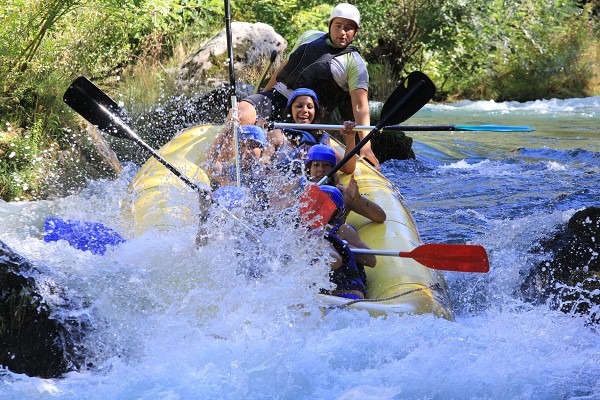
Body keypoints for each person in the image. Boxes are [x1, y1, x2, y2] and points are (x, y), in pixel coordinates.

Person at [237, 3, 381, 169]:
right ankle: (219, 167)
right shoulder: (309, 36)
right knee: (241, 114)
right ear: (330, 25)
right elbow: (285, 67)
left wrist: (365, 145)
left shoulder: (355, 64)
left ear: (357, 31)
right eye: (338, 26)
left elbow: (360, 106)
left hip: (308, 115)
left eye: (348, 28)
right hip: (279, 96)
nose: (342, 32)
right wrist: (264, 94)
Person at [262, 88, 358, 175]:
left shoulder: (322, 140)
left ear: (315, 111)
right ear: (291, 111)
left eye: (310, 107)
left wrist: (350, 138)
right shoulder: (278, 135)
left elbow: (347, 168)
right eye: (299, 106)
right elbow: (264, 162)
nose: (305, 110)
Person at [316, 185, 377, 299]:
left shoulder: (343, 230)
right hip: (324, 294)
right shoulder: (305, 231)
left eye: (327, 206)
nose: (321, 209)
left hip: (348, 292)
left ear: (337, 212)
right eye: (318, 204)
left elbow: (371, 260)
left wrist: (341, 245)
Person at [305, 144, 386, 223]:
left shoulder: (343, 194)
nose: (321, 169)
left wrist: (358, 199)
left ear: (333, 169)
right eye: (316, 165)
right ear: (309, 168)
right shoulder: (300, 189)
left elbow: (381, 217)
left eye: (326, 165)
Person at [204, 124, 270, 209]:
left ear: (262, 150)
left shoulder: (268, 173)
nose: (246, 151)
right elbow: (209, 162)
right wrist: (226, 130)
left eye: (252, 146)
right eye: (242, 146)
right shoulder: (229, 170)